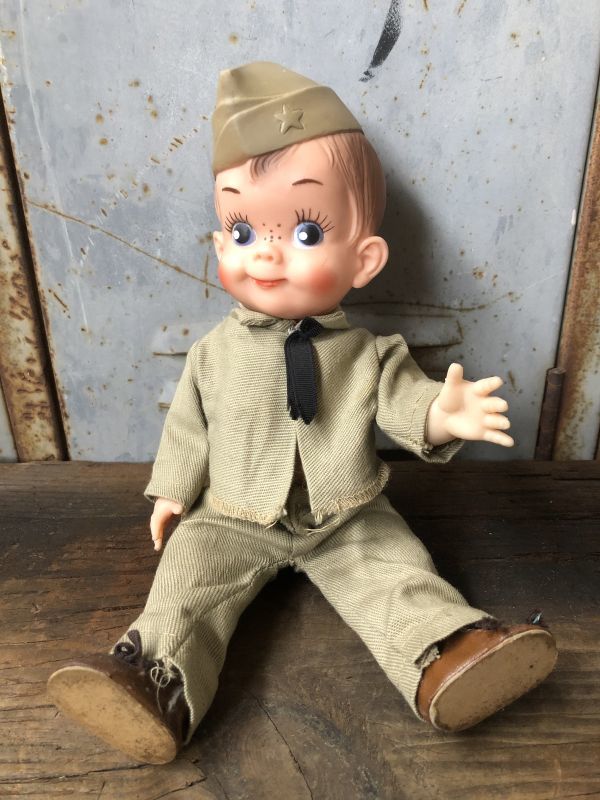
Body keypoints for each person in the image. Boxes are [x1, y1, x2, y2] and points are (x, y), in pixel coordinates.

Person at [47, 62, 557, 764]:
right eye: (242, 230)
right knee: (186, 584)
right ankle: (155, 684)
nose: (267, 253)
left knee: (397, 571)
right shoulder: (213, 353)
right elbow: (190, 424)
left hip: (346, 512)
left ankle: (448, 654)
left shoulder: (367, 354)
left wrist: (443, 413)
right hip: (230, 513)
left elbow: (403, 400)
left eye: (307, 232)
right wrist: (172, 491)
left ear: (365, 258)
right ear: (219, 243)